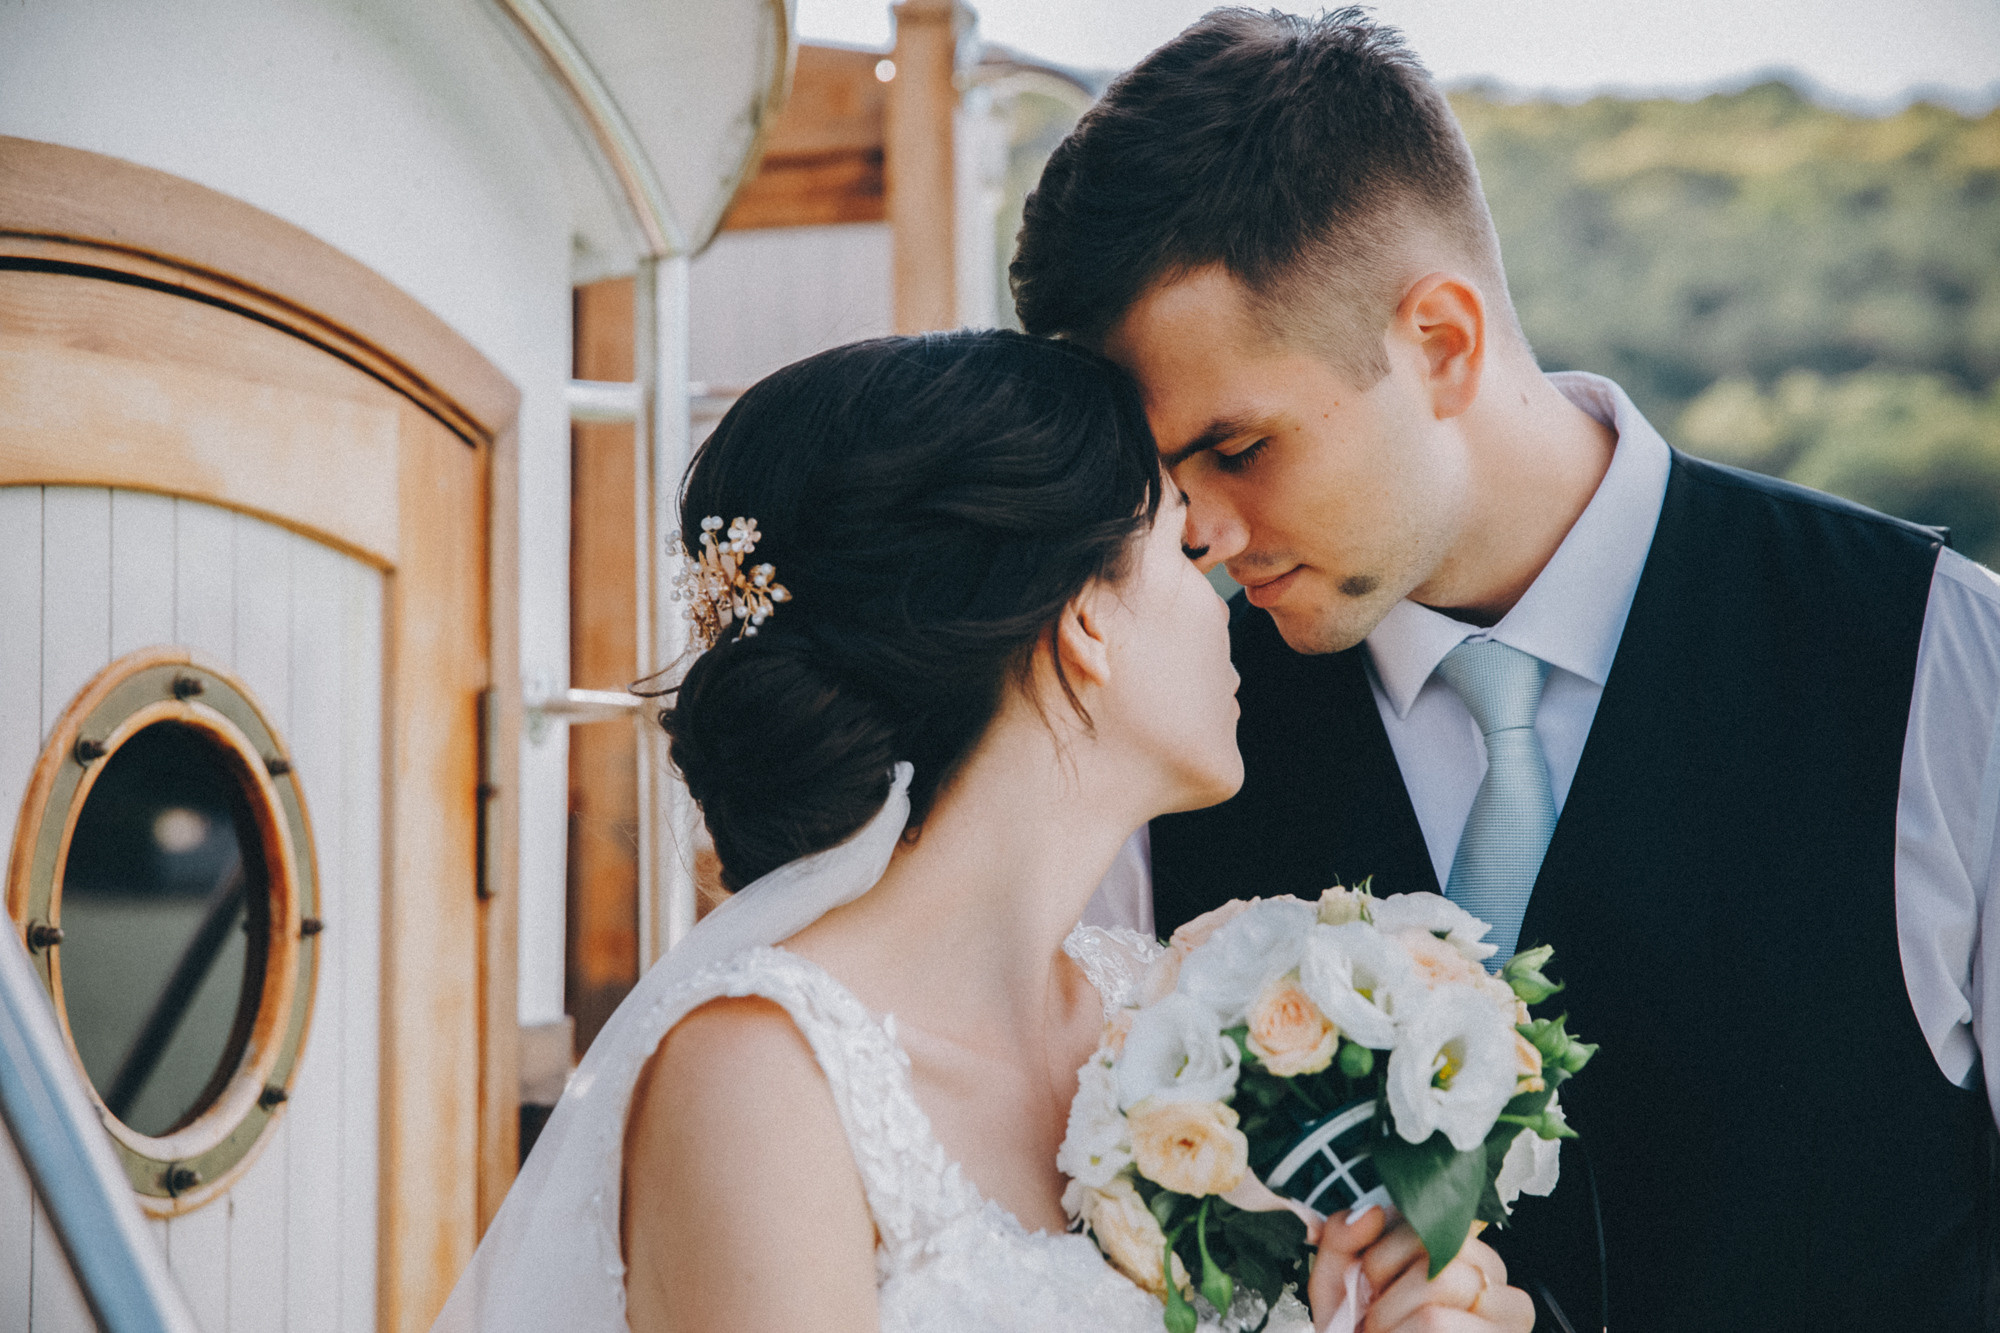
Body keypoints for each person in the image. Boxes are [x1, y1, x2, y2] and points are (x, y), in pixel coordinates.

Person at [1012, 9, 2000, 1332]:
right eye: (1165, 478)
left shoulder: (1939, 661)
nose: (1198, 533)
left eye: (1238, 448)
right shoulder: (1152, 764)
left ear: (1440, 342)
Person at [431, 331, 1533, 1333]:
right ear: (1085, 620)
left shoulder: (1156, 1017)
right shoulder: (767, 1076)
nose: (1223, 598)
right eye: (1179, 551)